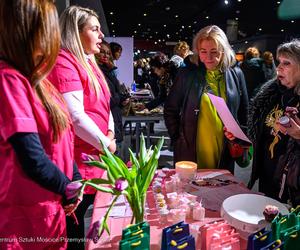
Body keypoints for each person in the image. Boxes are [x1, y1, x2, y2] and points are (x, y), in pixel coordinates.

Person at [0, 0, 81, 249]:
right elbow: (31, 155)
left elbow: (61, 143)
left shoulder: (39, 83)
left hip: (49, 216)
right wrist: (67, 186)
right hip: (24, 222)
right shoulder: (9, 79)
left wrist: (74, 180)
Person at [48, 6, 115, 249]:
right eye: (95, 29)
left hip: (94, 157)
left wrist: (111, 133)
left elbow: (105, 103)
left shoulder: (87, 61)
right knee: (74, 231)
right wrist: (107, 144)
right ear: (76, 32)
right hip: (79, 162)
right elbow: (75, 117)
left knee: (85, 225)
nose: (101, 36)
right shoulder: (64, 61)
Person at [164, 25, 249, 173]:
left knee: (220, 191)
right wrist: (178, 139)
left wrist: (239, 137)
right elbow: (171, 109)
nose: (208, 58)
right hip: (191, 150)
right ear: (197, 51)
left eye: (214, 52)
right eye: (203, 51)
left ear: (223, 51)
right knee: (190, 194)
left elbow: (244, 111)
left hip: (224, 150)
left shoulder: (236, 73)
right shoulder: (187, 74)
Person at [248, 39, 300, 206]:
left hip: (293, 185)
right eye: (279, 62)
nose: (278, 68)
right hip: (267, 175)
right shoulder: (273, 94)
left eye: (287, 63)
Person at [95, 40, 129, 154]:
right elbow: (106, 99)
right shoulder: (97, 71)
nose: (106, 55)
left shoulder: (109, 70)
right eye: (102, 52)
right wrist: (120, 98)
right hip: (107, 119)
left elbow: (115, 92)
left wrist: (122, 98)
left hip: (114, 115)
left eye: (108, 53)